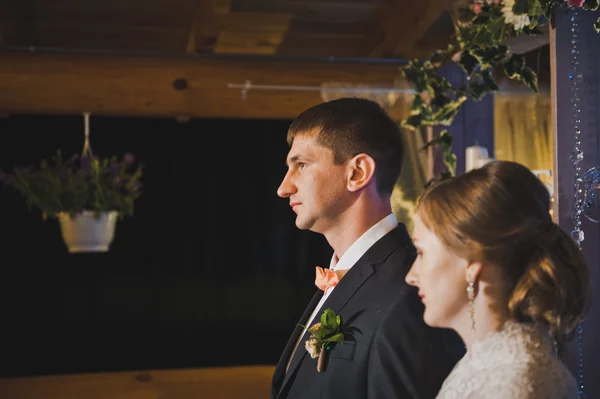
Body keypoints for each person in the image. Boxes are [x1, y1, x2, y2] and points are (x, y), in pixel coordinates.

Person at [270, 98, 461, 399]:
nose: (284, 187)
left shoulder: (411, 293)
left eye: (302, 165)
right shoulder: (342, 274)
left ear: (357, 172)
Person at [405, 160, 590, 399]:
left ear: (472, 262)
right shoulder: (486, 361)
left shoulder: (512, 387)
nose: (411, 276)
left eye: (421, 253)